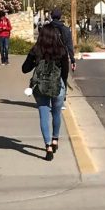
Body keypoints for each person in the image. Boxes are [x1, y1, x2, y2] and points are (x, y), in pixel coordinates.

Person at [22, 24, 70, 161]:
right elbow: (65, 73)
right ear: (56, 36)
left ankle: (48, 147)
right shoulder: (62, 50)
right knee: (56, 113)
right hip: (57, 86)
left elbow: (25, 69)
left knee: (44, 115)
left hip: (40, 87)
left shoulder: (36, 50)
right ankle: (55, 139)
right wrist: (64, 88)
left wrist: (34, 61)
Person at [49, 7, 76, 71]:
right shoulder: (66, 30)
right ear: (60, 17)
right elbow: (70, 47)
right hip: (62, 58)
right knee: (63, 79)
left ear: (51, 16)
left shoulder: (46, 29)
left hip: (49, 59)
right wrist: (73, 61)